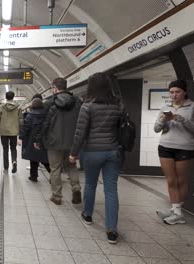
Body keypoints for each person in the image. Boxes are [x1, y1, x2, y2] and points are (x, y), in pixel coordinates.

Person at [68, 72, 123, 244]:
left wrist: (73, 153)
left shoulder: (87, 107)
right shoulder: (118, 105)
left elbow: (80, 133)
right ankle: (112, 230)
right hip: (113, 152)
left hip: (92, 152)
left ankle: (88, 215)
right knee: (111, 190)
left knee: (91, 184)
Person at [154, 80, 194, 225]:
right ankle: (175, 211)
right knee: (171, 180)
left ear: (184, 92)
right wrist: (162, 120)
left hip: (184, 148)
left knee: (181, 180)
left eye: (177, 92)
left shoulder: (193, 106)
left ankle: (177, 211)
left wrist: (181, 119)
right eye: (171, 92)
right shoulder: (165, 107)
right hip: (165, 146)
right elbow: (156, 129)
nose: (174, 95)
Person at [35, 77, 82, 205]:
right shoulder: (77, 102)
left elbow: (44, 123)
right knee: (71, 166)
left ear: (54, 88)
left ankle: (57, 196)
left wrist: (38, 139)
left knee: (55, 168)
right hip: (72, 141)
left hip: (54, 142)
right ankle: (76, 188)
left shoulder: (50, 102)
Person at [20, 98, 50, 182]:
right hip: (44, 139)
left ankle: (33, 177)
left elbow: (26, 128)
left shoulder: (30, 116)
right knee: (45, 159)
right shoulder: (47, 114)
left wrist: (21, 137)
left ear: (32, 106)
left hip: (32, 140)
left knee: (33, 159)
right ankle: (53, 175)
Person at [0, 91, 23, 173]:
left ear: (6, 97)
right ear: (13, 97)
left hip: (3, 132)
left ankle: (6, 167)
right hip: (14, 132)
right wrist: (20, 132)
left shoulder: (1, 107)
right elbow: (21, 120)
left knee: (5, 149)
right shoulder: (18, 107)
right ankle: (14, 161)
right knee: (13, 148)